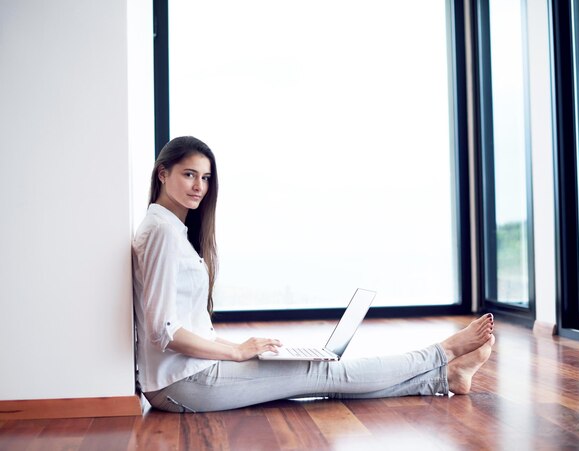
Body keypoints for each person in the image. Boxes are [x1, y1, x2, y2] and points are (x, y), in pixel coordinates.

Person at [132, 136, 496, 413]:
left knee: (325, 374)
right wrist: (237, 353)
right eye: (189, 174)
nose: (199, 186)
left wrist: (238, 350)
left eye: (206, 177)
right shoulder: (162, 231)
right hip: (182, 385)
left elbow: (183, 326)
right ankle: (442, 353)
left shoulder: (170, 230)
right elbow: (163, 331)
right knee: (323, 372)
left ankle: (445, 378)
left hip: (190, 374)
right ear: (163, 173)